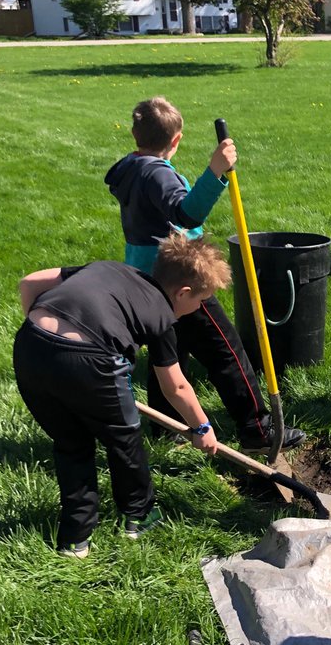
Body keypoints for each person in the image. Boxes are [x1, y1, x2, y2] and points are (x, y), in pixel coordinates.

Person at [105, 97, 304, 453]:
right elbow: (187, 214)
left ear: (135, 134)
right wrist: (214, 172)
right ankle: (258, 430)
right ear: (177, 139)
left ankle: (167, 429)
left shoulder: (129, 169)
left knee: (168, 350)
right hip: (180, 277)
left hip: (146, 278)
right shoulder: (157, 172)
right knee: (224, 349)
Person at [14, 234, 228, 558]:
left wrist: (49, 345)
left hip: (30, 347)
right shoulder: (161, 317)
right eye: (201, 300)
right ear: (183, 293)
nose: (199, 308)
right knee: (124, 438)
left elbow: (30, 282)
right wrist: (202, 428)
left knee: (71, 443)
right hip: (90, 360)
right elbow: (176, 387)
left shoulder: (109, 269)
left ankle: (75, 539)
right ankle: (139, 517)